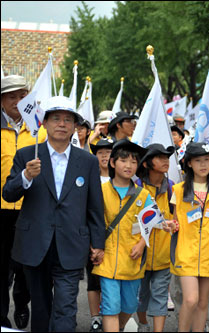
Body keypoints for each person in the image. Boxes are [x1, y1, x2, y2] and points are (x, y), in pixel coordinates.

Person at [2, 95, 105, 332]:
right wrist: (26, 177)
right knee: (41, 307)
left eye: (68, 120)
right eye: (56, 118)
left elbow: (95, 206)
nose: (62, 124)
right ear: (45, 123)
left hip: (71, 244)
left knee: (65, 308)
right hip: (34, 243)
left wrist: (98, 243)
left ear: (75, 127)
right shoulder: (27, 155)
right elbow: (8, 194)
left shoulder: (88, 161)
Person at [163, 142, 209, 332]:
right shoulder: (178, 189)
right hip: (186, 253)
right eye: (198, 160)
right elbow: (174, 222)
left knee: (202, 303)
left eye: (207, 160)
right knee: (191, 299)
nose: (203, 164)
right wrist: (170, 226)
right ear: (189, 163)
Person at [91, 139, 151, 332]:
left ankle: (119, 327)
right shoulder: (100, 191)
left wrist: (142, 243)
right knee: (110, 307)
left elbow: (151, 224)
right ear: (112, 163)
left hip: (132, 260)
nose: (129, 166)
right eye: (124, 161)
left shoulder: (143, 195)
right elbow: (92, 222)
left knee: (129, 306)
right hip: (106, 260)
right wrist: (94, 247)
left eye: (134, 162)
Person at [1, 75, 47, 329]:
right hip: (1, 207)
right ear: (1, 101)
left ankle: (21, 302)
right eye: (11, 97)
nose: (18, 102)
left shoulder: (39, 128)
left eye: (22, 96)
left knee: (26, 266)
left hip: (30, 208)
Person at [135, 143, 176, 332]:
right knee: (140, 297)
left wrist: (174, 224)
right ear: (146, 164)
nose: (165, 161)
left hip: (163, 255)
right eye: (159, 157)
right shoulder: (136, 187)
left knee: (160, 296)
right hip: (138, 255)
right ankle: (143, 324)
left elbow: (177, 218)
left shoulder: (171, 188)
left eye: (167, 157)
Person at [83, 138, 114, 332]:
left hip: (116, 238)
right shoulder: (88, 177)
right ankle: (96, 318)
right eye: (100, 152)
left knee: (112, 280)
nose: (104, 155)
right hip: (93, 237)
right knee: (93, 280)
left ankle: (112, 316)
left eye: (109, 152)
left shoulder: (121, 178)